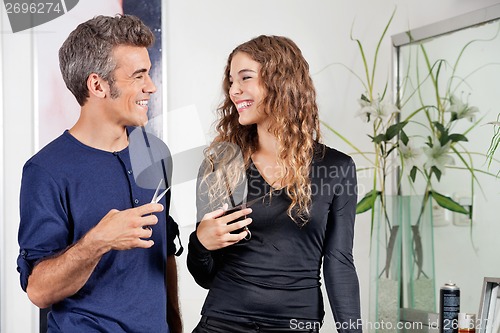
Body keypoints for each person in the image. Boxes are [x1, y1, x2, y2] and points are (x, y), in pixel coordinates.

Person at [17, 14, 182, 332]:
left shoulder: (155, 151)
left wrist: (174, 323)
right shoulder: (45, 170)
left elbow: (163, 249)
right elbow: (38, 291)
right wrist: (98, 241)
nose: (151, 86)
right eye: (139, 76)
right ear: (98, 85)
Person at [187, 35, 362, 333]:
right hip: (222, 322)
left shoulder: (336, 168)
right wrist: (200, 242)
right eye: (231, 81)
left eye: (245, 78)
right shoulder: (221, 163)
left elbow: (339, 263)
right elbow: (206, 276)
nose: (234, 90)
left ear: (281, 82)